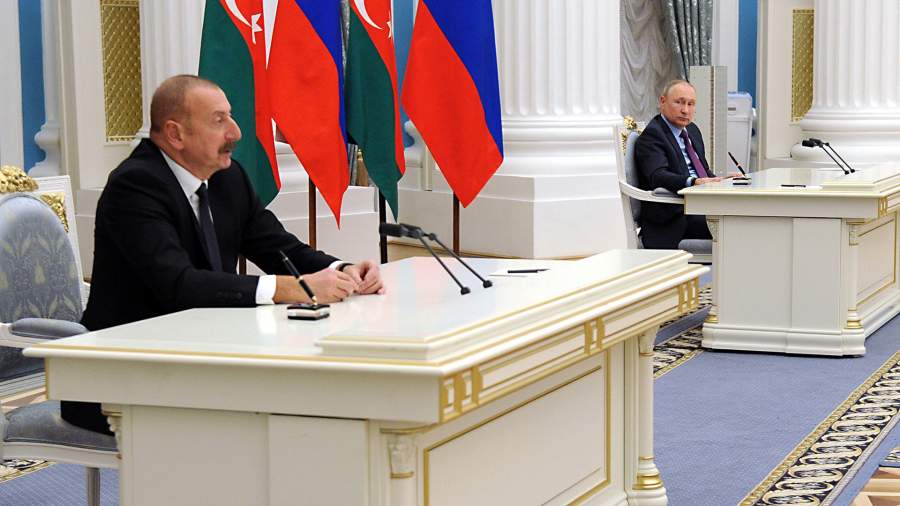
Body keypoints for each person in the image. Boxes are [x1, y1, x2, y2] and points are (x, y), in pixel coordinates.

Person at [67, 74, 384, 433]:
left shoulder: (227, 177)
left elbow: (278, 247)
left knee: (304, 399)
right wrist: (294, 288)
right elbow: (179, 285)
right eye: (219, 121)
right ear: (175, 134)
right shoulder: (135, 186)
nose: (236, 132)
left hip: (199, 356)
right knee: (279, 410)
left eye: (230, 117)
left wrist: (342, 269)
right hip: (124, 374)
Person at [634, 79, 733, 249]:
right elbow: (658, 176)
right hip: (675, 218)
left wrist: (722, 181)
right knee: (737, 224)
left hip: (701, 207)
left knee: (746, 216)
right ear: (662, 101)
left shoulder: (692, 130)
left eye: (690, 104)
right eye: (679, 102)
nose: (685, 110)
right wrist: (692, 182)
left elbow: (703, 171)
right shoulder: (652, 135)